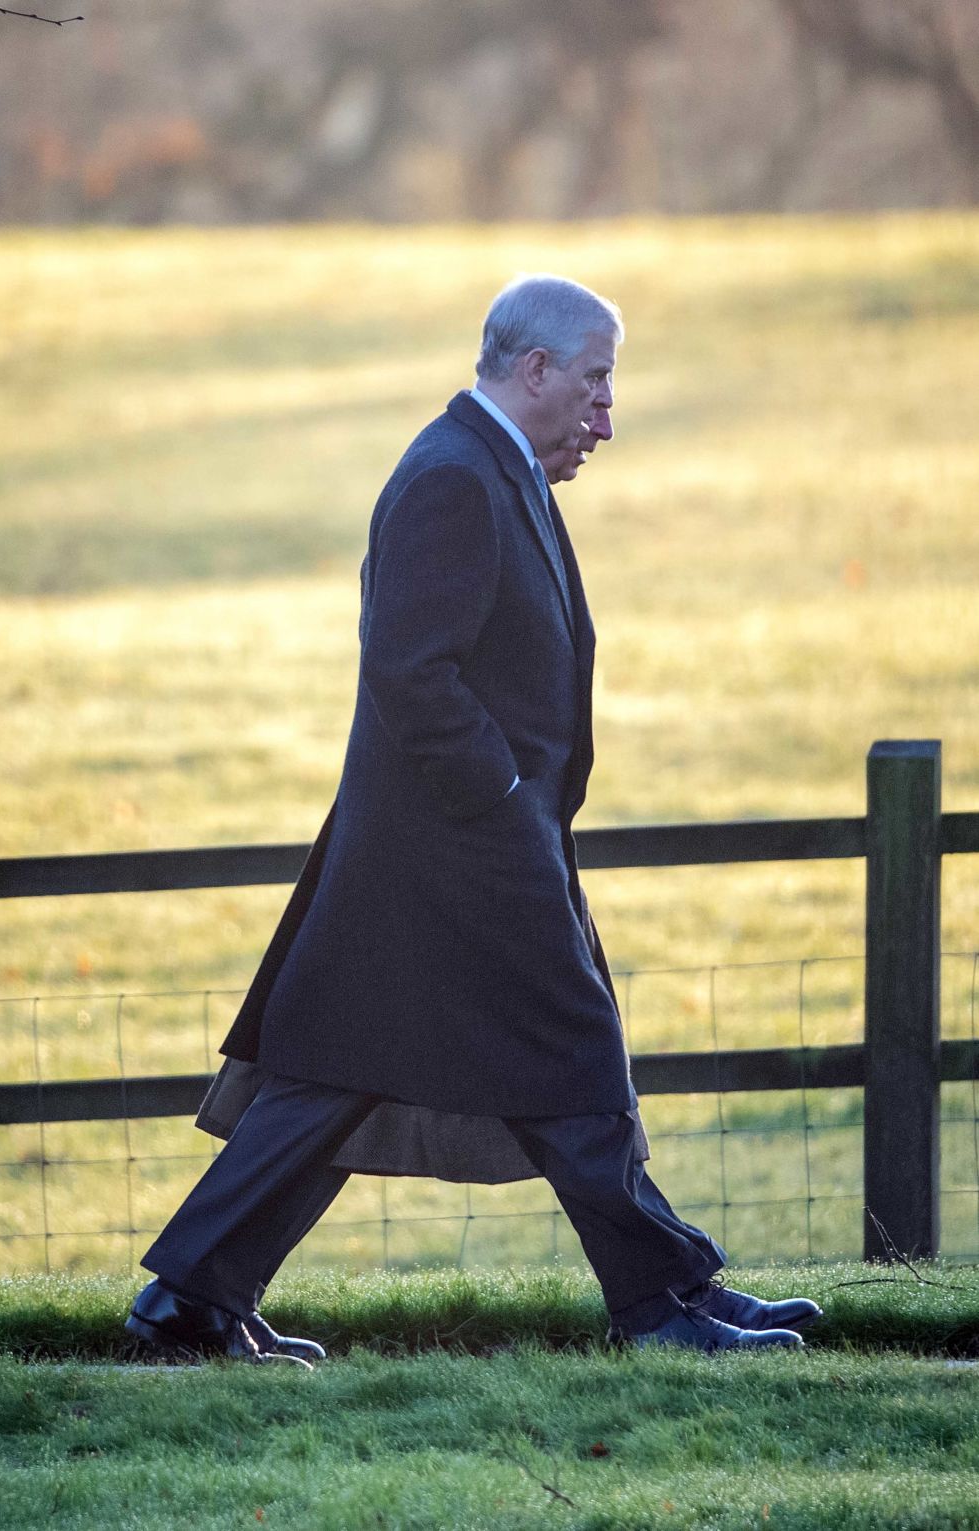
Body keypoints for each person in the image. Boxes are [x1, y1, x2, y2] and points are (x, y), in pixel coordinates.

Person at [127, 275, 820, 1366]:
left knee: (333, 1077)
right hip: (464, 856)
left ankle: (189, 1304)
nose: (605, 415)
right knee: (575, 1061)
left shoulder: (495, 469)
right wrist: (502, 801)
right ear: (533, 369)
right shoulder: (454, 477)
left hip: (463, 851)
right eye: (593, 384)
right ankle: (663, 1305)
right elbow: (412, 671)